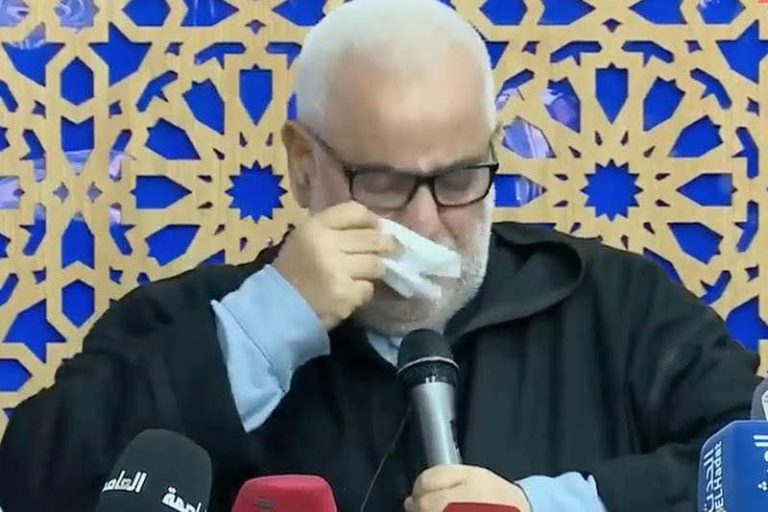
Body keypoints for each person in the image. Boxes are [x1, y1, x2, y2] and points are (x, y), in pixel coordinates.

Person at [0, 0, 760, 510]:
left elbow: (753, 463)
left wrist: (549, 506)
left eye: (458, 178)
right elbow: (33, 483)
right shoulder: (184, 320)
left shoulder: (618, 308)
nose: (427, 223)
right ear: (304, 166)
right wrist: (260, 333)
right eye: (385, 184)